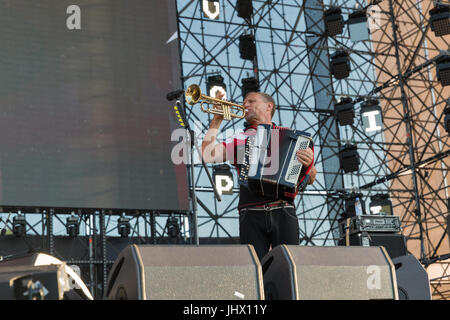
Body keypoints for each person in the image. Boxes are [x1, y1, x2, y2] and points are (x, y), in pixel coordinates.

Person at [201, 91, 317, 261]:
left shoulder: (291, 137)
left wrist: (309, 164)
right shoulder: (240, 139)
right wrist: (217, 120)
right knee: (256, 268)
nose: (245, 105)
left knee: (288, 266)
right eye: (244, 102)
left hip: (283, 210)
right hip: (251, 212)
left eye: (251, 101)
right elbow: (207, 155)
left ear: (268, 106)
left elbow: (311, 177)